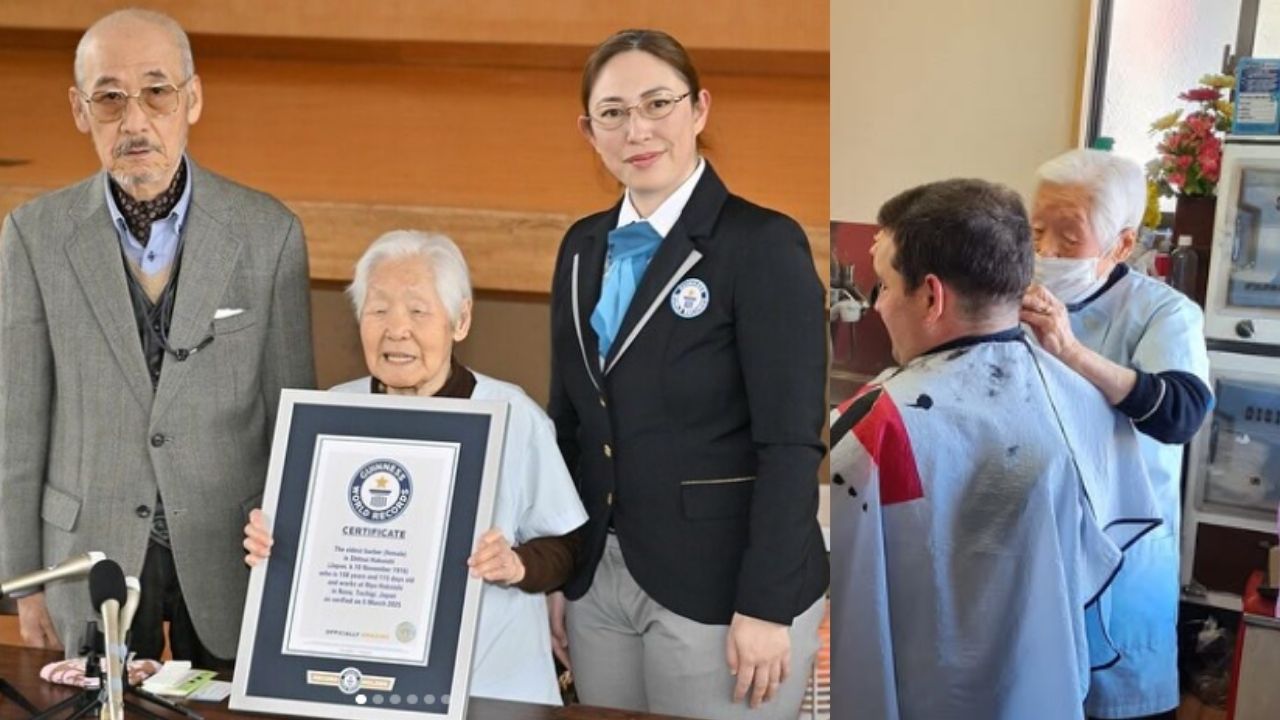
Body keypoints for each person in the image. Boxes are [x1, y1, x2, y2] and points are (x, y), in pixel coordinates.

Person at [0, 8, 314, 667]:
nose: (134, 120)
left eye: (157, 91)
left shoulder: (269, 234)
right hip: (87, 557)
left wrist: (299, 566)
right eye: (109, 98)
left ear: (192, 98)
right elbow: (17, 422)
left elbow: (295, 418)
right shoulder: (33, 237)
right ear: (80, 110)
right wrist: (19, 580)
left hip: (234, 552)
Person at [546, 29, 828, 719]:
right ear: (589, 130)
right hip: (599, 581)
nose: (636, 129)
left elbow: (791, 444)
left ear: (698, 109)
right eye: (612, 112)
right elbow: (569, 422)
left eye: (657, 103)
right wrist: (556, 568)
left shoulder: (760, 244)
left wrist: (766, 605)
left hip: (724, 586)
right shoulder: (582, 246)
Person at [830, 179, 1163, 720]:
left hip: (930, 693)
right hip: (1042, 688)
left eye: (885, 286)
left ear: (932, 296)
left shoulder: (880, 425)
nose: (879, 307)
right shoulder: (1080, 398)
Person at [244, 230, 587, 705]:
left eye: (418, 311)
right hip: (358, 683)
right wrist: (272, 543)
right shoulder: (329, 414)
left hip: (490, 682)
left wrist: (515, 564)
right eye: (378, 309)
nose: (396, 329)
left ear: (460, 319)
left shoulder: (512, 413)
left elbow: (568, 545)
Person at [1021, 149, 1213, 720]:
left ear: (1122, 244)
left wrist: (1071, 351)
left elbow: (1181, 413)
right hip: (1034, 551)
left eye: (1068, 235)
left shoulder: (1163, 313)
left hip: (1123, 562)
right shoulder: (1014, 297)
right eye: (1036, 232)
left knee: (1113, 703)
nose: (1047, 252)